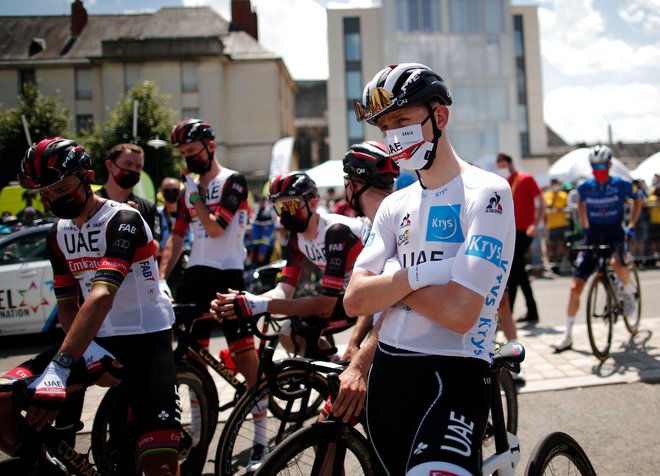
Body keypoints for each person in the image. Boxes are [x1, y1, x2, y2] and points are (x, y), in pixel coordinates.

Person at [341, 63, 515, 475]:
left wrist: (391, 282)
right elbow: (353, 300)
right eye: (384, 127)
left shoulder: (487, 192)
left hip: (454, 376)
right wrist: (417, 275)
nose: (392, 136)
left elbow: (459, 313)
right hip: (388, 376)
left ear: (439, 117)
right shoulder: (393, 205)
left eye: (401, 120)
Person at [16, 137, 180, 475]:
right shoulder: (57, 233)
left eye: (60, 187)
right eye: (44, 193)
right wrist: (87, 352)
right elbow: (67, 303)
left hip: (146, 338)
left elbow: (102, 295)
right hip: (97, 338)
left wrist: (61, 366)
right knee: (5, 399)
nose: (52, 198)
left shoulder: (124, 219)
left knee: (160, 464)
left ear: (87, 175)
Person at [210, 171, 369, 470]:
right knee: (286, 327)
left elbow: (323, 306)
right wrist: (251, 299)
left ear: (312, 202)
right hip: (348, 296)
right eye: (279, 207)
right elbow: (285, 289)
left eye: (291, 206)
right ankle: (331, 363)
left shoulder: (336, 231)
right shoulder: (296, 238)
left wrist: (258, 304)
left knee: (306, 317)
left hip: (367, 296)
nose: (285, 213)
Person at [159, 118, 258, 379]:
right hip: (195, 275)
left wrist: (194, 196)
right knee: (191, 354)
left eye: (192, 151)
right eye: (183, 154)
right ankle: (200, 412)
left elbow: (216, 229)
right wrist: (159, 279)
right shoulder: (187, 191)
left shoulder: (232, 181)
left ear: (211, 146)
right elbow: (176, 239)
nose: (187, 159)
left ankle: (258, 412)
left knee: (242, 352)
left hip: (227, 274)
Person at [552, 145, 643, 352]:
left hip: (615, 233)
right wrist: (585, 226)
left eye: (602, 165)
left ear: (609, 165)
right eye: (594, 166)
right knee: (575, 287)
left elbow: (638, 200)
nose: (598, 169)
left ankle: (628, 292)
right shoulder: (585, 187)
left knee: (616, 262)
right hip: (593, 234)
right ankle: (567, 336)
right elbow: (581, 204)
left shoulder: (621, 184)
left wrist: (631, 226)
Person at [495, 152, 545, 325]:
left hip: (525, 231)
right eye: (498, 167)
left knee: (514, 270)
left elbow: (541, 202)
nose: (501, 169)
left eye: (502, 165)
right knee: (518, 272)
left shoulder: (526, 178)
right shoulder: (505, 183)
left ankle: (507, 315)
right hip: (510, 232)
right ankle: (530, 311)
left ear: (510, 163)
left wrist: (536, 224)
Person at [96, 143, 161, 247]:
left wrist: (136, 224)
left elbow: (155, 247)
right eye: (128, 164)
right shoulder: (93, 203)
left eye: (138, 166)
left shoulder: (147, 208)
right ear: (109, 165)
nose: (134, 170)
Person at [156, 176, 193, 296]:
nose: (171, 193)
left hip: (185, 263)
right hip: (162, 263)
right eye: (167, 190)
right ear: (161, 191)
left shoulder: (189, 213)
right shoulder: (156, 213)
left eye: (175, 190)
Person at [544, 178, 572, 274]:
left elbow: (567, 206)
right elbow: (549, 206)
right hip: (552, 225)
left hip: (563, 224)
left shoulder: (563, 195)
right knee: (553, 246)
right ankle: (555, 264)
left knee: (563, 244)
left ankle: (562, 263)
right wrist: (555, 196)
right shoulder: (547, 195)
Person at [249, 193, 276, 267]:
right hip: (256, 248)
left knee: (264, 266)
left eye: (262, 202)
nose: (260, 203)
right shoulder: (256, 212)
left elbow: (266, 237)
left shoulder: (269, 212)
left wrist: (262, 252)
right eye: (259, 202)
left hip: (266, 248)